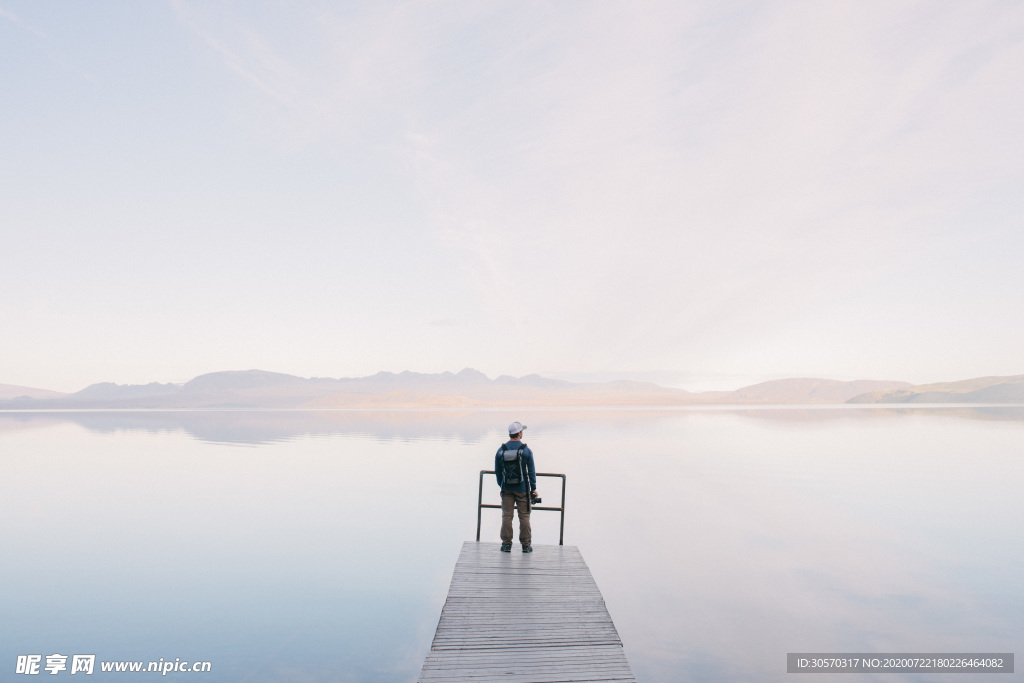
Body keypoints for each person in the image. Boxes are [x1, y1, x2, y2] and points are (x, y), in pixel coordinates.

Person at [495, 421, 537, 553]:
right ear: (519, 433)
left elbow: (497, 472)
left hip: (506, 489)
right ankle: (525, 545)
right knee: (524, 516)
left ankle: (506, 545)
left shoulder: (501, 450)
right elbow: (531, 472)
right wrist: (533, 488)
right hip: (522, 489)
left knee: (507, 516)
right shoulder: (526, 451)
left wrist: (502, 484)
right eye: (522, 431)